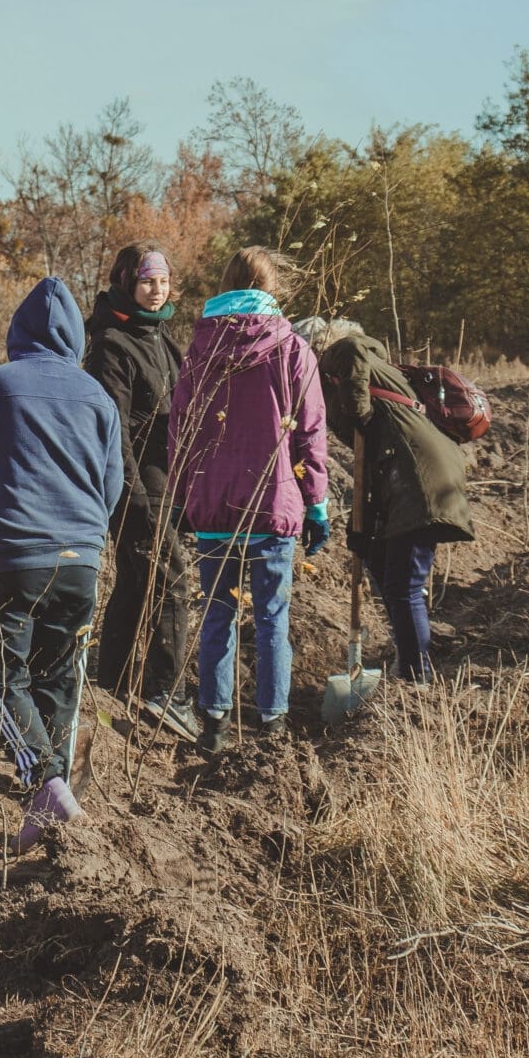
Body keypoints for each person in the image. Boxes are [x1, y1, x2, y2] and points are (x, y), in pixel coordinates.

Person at [0, 278, 125, 848]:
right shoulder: (98, 396)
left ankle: (47, 782)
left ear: (18, 333)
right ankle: (51, 807)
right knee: (59, 677)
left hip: (13, 554)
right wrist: (83, 535)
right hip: (82, 558)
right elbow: (113, 484)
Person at [169, 247, 328, 750]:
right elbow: (311, 431)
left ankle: (213, 724)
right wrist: (316, 498)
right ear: (270, 285)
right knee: (271, 618)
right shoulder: (292, 349)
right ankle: (271, 721)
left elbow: (182, 431)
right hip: (272, 504)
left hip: (214, 507)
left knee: (217, 611)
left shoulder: (199, 350)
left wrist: (181, 494)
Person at [299, 319, 474, 682]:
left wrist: (358, 410)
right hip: (401, 473)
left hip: (418, 477)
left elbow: (351, 349)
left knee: (402, 585)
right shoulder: (348, 377)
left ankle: (415, 676)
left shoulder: (344, 356)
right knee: (382, 566)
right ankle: (407, 658)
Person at [85, 243, 199, 742]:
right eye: (148, 281)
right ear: (126, 282)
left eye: (164, 281)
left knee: (136, 583)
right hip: (136, 488)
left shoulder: (162, 338)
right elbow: (114, 433)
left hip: (166, 485)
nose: (158, 291)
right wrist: (132, 498)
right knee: (171, 583)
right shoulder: (111, 343)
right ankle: (164, 695)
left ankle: (107, 685)